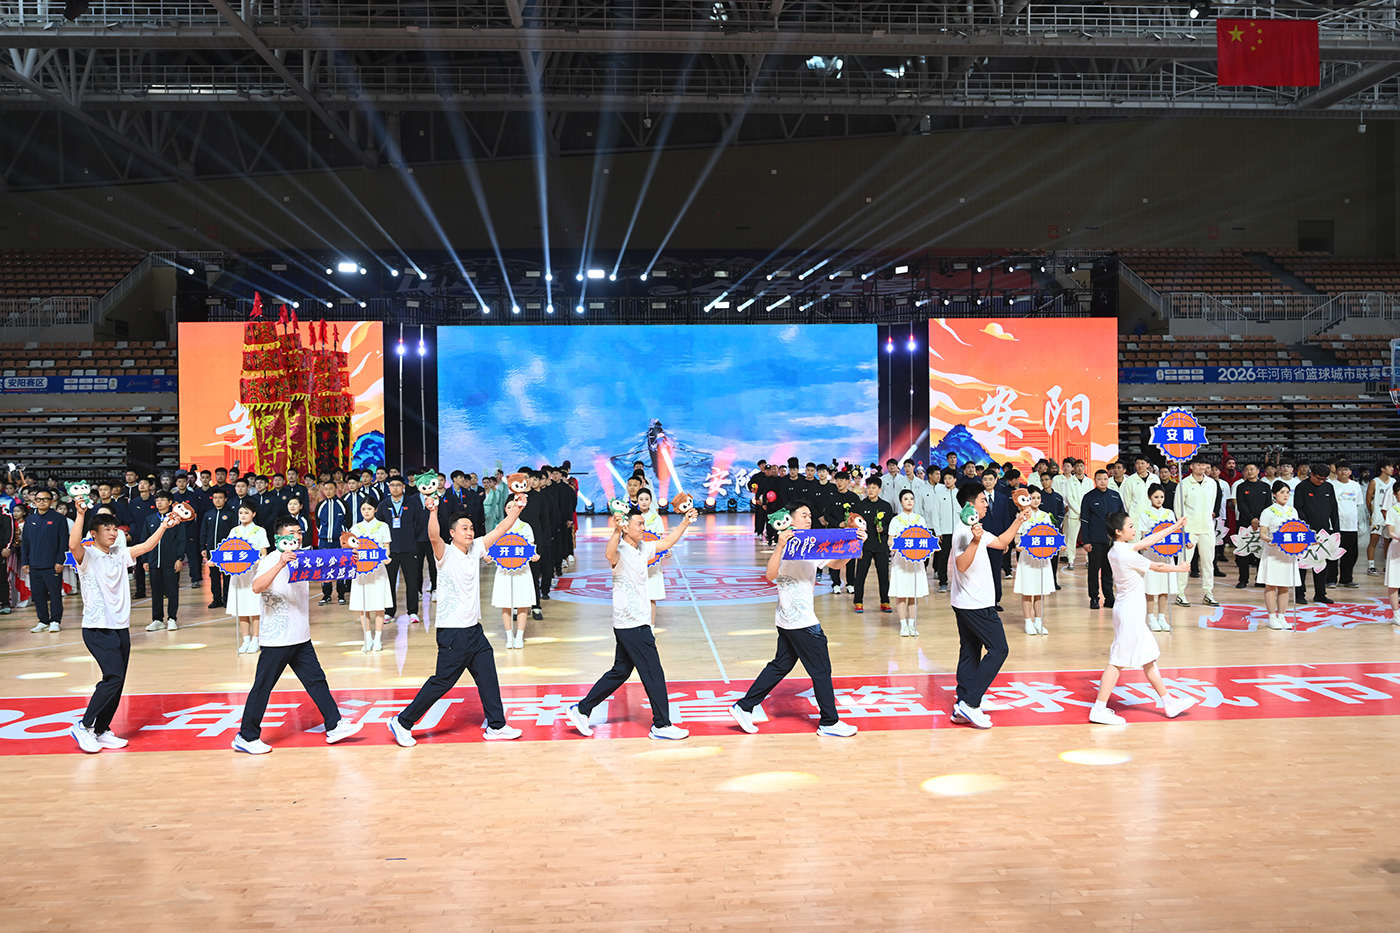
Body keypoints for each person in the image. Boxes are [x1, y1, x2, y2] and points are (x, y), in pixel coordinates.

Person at [386, 497, 526, 747]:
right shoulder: (445, 553)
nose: (470, 532)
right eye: (464, 528)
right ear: (452, 533)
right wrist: (433, 511)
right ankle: (402, 721)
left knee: (487, 675)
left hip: (473, 630)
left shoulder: (476, 549)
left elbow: (500, 529)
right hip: (453, 632)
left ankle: (496, 725)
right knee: (442, 681)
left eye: (471, 528)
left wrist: (517, 510)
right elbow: (433, 536)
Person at [728, 502, 863, 737]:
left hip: (789, 619)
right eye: (803, 515)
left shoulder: (810, 543)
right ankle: (829, 722)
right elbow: (770, 575)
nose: (809, 519)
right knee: (821, 670)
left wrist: (854, 545)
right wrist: (780, 545)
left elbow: (834, 563)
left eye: (810, 515)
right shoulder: (786, 543)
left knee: (781, 664)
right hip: (801, 621)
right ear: (790, 519)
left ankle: (745, 706)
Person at [231, 518, 364, 754]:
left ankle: (334, 725)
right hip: (277, 639)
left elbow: (325, 573)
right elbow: (257, 586)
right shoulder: (271, 559)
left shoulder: (303, 558)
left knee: (316, 680)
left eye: (299, 532)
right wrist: (281, 563)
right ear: (279, 537)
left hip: (300, 635)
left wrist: (347, 559)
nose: (297, 536)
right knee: (263, 686)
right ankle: (246, 736)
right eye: (291, 532)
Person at [566, 505, 698, 741]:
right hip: (631, 623)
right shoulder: (620, 550)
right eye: (639, 524)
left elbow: (667, 542)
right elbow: (609, 555)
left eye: (643, 523)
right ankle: (661, 725)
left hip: (636, 621)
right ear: (627, 527)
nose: (643, 527)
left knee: (621, 671)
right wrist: (616, 530)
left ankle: (582, 709)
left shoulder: (643, 547)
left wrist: (685, 522)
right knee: (653, 672)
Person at [66, 500, 176, 753]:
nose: (113, 533)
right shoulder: (87, 555)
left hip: (120, 627)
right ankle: (83, 726)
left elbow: (146, 546)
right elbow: (73, 545)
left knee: (118, 681)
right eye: (107, 529)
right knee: (112, 677)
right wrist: (80, 514)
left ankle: (101, 729)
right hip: (97, 627)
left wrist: (164, 525)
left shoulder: (119, 554)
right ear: (94, 534)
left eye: (115, 529)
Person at [1086, 512, 1197, 725]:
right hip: (1130, 614)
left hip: (1130, 612)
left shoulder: (1119, 548)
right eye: (1130, 526)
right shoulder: (1126, 554)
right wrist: (1180, 568)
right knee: (1117, 662)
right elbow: (1158, 566)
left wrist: (1175, 526)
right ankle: (1098, 709)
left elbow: (1149, 540)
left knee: (1148, 659)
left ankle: (1168, 702)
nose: (1134, 529)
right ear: (1118, 531)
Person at [947, 482, 1032, 728]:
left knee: (970, 651)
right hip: (975, 603)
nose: (986, 504)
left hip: (966, 602)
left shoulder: (975, 527)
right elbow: (961, 565)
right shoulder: (964, 531)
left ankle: (962, 703)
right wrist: (975, 541)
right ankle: (971, 702)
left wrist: (1019, 519)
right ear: (970, 504)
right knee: (999, 649)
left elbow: (1002, 543)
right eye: (983, 500)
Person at [377, 476, 426, 623]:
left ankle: (413, 612)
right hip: (390, 550)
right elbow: (379, 526)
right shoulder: (384, 504)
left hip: (409, 549)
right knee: (389, 582)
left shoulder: (412, 503)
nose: (395, 488)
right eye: (392, 485)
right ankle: (389, 612)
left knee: (412, 582)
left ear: (403, 487)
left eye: (398, 485)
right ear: (389, 487)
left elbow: (420, 523)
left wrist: (412, 540)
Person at [491, 499, 538, 648]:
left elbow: (531, 547)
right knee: (506, 604)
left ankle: (519, 637)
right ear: (505, 509)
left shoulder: (525, 526)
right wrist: (489, 555)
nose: (512, 509)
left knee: (523, 603)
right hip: (504, 571)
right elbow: (493, 546)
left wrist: (534, 555)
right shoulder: (499, 527)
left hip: (522, 570)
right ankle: (509, 636)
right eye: (509, 507)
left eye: (515, 506)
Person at [347, 499, 392, 652]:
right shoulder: (355, 528)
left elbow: (386, 547)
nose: (366, 512)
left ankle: (378, 639)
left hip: (378, 570)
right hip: (361, 572)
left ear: (375, 510)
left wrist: (386, 557)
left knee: (379, 605)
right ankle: (367, 639)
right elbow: (351, 549)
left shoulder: (383, 526)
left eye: (369, 508)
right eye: (363, 509)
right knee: (363, 606)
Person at [1258, 480, 1303, 630]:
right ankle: (1272, 617)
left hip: (1288, 553)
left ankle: (1282, 616)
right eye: (1282, 492)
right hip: (1273, 553)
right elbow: (1263, 533)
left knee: (1285, 586)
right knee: (1271, 585)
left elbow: (1297, 531)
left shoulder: (1293, 511)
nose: (1285, 495)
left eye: (1287, 492)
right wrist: (1269, 540)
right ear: (1274, 494)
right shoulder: (1268, 512)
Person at [1177, 458, 1222, 608]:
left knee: (1208, 562)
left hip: (1207, 528)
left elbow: (1211, 505)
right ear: (1191, 466)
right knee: (1184, 562)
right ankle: (1180, 593)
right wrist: (1183, 531)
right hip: (1189, 529)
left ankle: (1208, 593)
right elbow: (1178, 508)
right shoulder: (1184, 484)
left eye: (1204, 465)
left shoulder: (1212, 483)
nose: (1201, 467)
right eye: (1198, 464)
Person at [21, 487, 66, 633]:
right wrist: (25, 562)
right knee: (38, 594)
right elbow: (25, 543)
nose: (42, 502)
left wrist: (60, 561)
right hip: (34, 564)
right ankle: (43, 620)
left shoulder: (59, 519)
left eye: (45, 499)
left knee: (54, 594)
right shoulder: (30, 519)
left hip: (52, 564)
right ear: (34, 501)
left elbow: (63, 542)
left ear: (51, 501)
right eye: (39, 499)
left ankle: (55, 621)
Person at [1012, 487, 1056, 636]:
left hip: (1042, 559)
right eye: (1032, 498)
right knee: (1027, 591)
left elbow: (1052, 536)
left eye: (1038, 498)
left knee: (1039, 592)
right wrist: (1020, 545)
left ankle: (1038, 621)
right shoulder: (1022, 516)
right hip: (1027, 559)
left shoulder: (1046, 516)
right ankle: (1028, 622)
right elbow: (1017, 539)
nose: (1036, 500)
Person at [887, 489, 930, 637]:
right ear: (901, 502)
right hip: (901, 562)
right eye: (906, 499)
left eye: (911, 498)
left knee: (913, 594)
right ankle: (903, 625)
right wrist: (897, 545)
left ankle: (912, 625)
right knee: (901, 594)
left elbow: (926, 540)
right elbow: (890, 540)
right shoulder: (896, 520)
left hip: (916, 562)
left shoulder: (920, 519)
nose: (909, 501)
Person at [1079, 469, 1124, 611]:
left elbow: (1122, 518)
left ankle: (1109, 598)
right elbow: (1084, 521)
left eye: (1105, 479)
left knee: (1109, 570)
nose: (1102, 481)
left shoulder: (1115, 496)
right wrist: (1086, 541)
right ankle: (1094, 598)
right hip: (1095, 540)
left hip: (1112, 541)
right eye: (1099, 479)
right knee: (1094, 570)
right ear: (1095, 480)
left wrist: (1121, 538)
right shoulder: (1089, 497)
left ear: (1108, 479)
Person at [226, 503, 269, 654]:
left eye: (246, 512)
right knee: (241, 608)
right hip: (238, 575)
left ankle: (256, 639)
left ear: (253, 514)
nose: (243, 515)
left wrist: (257, 560)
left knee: (254, 607)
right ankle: (246, 639)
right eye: (241, 513)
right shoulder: (234, 531)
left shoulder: (260, 531)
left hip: (253, 574)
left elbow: (263, 552)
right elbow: (228, 550)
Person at [141, 490, 186, 632]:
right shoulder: (150, 519)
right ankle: (157, 619)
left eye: (162, 500)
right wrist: (145, 560)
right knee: (156, 591)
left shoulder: (176, 520)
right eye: (157, 500)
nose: (159, 502)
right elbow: (144, 539)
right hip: (154, 561)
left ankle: (172, 618)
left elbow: (181, 540)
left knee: (172, 591)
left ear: (170, 502)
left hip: (171, 561)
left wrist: (179, 558)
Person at [1294, 465, 1339, 606]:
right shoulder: (1302, 487)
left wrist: (1336, 530)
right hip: (1305, 531)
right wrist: (1307, 529)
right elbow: (1298, 509)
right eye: (1319, 478)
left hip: (1324, 531)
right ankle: (1299, 594)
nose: (1321, 481)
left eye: (1324, 479)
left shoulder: (1328, 487)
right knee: (1302, 563)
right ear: (1311, 475)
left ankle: (1320, 594)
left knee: (1321, 563)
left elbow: (1334, 509)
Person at [1138, 484, 1180, 632]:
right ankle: (1150, 617)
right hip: (1151, 556)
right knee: (1151, 587)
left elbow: (1175, 532)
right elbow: (1143, 534)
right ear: (1150, 497)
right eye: (1156, 497)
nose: (1159, 500)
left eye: (1161, 497)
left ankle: (1162, 617)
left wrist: (1184, 542)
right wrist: (1147, 544)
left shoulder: (1169, 513)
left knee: (1164, 588)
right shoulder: (1145, 514)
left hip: (1166, 556)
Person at [850, 476, 892, 613]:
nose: (871, 490)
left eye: (874, 488)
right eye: (869, 488)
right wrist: (857, 546)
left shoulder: (886, 506)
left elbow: (891, 526)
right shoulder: (860, 506)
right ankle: (858, 602)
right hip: (865, 546)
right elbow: (854, 527)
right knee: (860, 575)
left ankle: (885, 601)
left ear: (879, 490)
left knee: (883, 575)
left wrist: (883, 529)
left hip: (881, 546)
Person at [1232, 462, 1271, 589]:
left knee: (1261, 552)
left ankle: (1260, 579)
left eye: (1252, 469)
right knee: (1243, 553)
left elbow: (1268, 505)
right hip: (1245, 523)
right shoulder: (1241, 487)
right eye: (1247, 469)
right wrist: (1252, 519)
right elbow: (1241, 505)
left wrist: (1261, 520)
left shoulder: (1265, 486)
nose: (1249, 471)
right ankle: (1243, 579)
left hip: (1262, 525)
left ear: (1258, 471)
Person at [635, 488, 668, 623]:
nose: (644, 502)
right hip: (636, 559)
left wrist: (665, 550)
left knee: (651, 595)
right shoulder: (633, 517)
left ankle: (651, 625)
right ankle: (638, 624)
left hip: (652, 560)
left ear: (651, 501)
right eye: (641, 499)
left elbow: (660, 539)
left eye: (646, 499)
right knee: (637, 595)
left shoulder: (656, 518)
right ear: (637, 501)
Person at [1330, 460, 1365, 589]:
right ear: (1336, 471)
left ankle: (1346, 579)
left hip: (1351, 526)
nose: (1343, 472)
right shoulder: (1331, 485)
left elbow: (1359, 505)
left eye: (1346, 469)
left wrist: (1361, 523)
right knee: (1333, 553)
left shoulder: (1355, 486)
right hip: (1335, 525)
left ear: (1350, 472)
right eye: (1340, 469)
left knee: (1351, 554)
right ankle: (1331, 579)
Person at [199, 488, 237, 609]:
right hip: (212, 551)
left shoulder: (231, 514)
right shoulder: (208, 514)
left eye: (220, 498)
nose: (217, 500)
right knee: (213, 576)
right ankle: (216, 599)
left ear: (225, 499)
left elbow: (235, 532)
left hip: (227, 551)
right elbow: (203, 532)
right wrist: (203, 547)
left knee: (227, 576)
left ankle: (227, 599)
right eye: (215, 498)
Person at [315, 481, 350, 606]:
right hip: (324, 542)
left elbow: (348, 521)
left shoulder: (342, 504)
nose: (328, 491)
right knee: (325, 568)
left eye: (331, 489)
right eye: (326, 489)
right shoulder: (320, 505)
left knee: (341, 567)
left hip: (339, 542)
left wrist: (342, 537)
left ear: (335, 490)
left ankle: (341, 595)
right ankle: (326, 595)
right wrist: (324, 534)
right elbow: (318, 523)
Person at [927, 469, 958, 593]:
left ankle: (959, 583)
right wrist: (938, 531)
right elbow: (935, 514)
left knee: (959, 557)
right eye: (945, 479)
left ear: (955, 479)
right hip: (944, 532)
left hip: (958, 532)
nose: (947, 481)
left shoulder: (959, 494)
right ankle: (943, 582)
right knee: (942, 558)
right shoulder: (939, 494)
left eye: (950, 478)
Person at [1367, 461, 1395, 575]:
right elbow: (1368, 500)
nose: (1392, 468)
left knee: (1388, 541)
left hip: (1390, 514)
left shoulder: (1394, 482)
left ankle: (1387, 565)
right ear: (1382, 469)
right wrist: (1372, 514)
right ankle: (1371, 566)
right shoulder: (1375, 482)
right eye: (1389, 466)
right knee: (1374, 540)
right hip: (1378, 515)